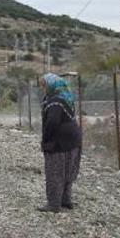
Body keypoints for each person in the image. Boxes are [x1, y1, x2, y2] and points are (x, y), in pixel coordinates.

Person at [38, 73, 82, 213]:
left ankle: (53, 204)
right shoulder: (66, 97)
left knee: (54, 173)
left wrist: (45, 140)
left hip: (59, 142)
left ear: (51, 85)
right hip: (74, 140)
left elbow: (52, 123)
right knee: (68, 171)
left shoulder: (55, 101)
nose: (42, 89)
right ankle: (65, 200)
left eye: (44, 86)